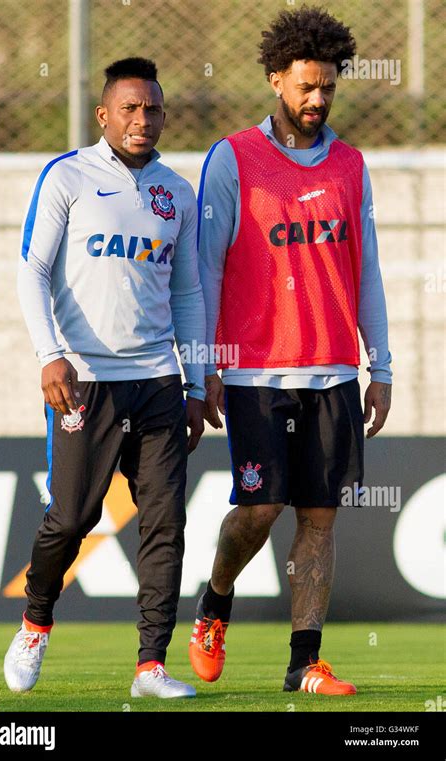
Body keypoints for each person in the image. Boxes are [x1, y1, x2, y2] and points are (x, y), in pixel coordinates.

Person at [189, 6, 392, 695]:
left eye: (328, 87)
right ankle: (216, 599)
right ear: (276, 80)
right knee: (260, 508)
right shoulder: (232, 157)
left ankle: (304, 661)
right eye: (305, 86)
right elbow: (205, 269)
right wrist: (205, 366)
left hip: (334, 370)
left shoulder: (350, 165)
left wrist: (380, 365)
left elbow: (366, 270)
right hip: (255, 370)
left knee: (320, 516)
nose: (317, 100)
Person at [6, 56, 205, 699]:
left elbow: (189, 294)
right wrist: (48, 355)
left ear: (164, 115)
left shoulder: (178, 192)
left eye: (151, 109)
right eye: (129, 108)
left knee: (165, 521)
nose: (141, 120)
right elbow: (32, 270)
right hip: (84, 380)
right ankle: (36, 622)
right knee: (71, 518)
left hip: (157, 381)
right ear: (104, 114)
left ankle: (151, 665)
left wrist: (197, 383)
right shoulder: (67, 176)